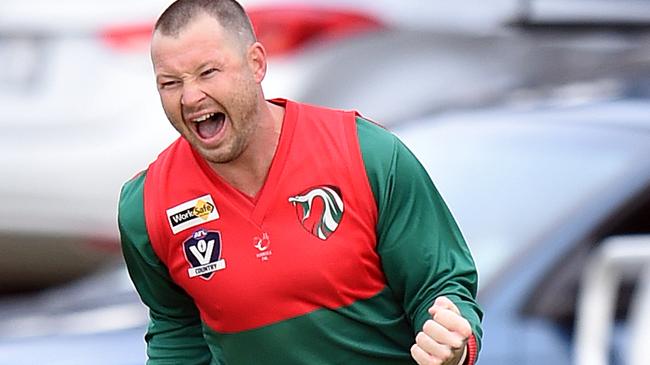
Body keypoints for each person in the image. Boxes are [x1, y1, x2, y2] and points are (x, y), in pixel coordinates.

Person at [117, 0, 483, 364]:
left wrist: (453, 345)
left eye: (208, 72)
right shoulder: (147, 206)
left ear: (256, 63)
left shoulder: (366, 153)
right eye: (170, 83)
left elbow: (441, 286)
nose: (190, 96)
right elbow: (177, 334)